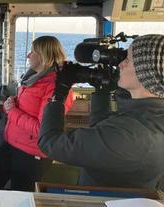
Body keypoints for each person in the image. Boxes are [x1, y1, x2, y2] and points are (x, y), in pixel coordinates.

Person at [39, 34, 164, 189]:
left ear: (146, 72)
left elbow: (50, 143)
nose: (121, 64)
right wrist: (102, 91)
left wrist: (59, 95)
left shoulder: (131, 134)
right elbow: (104, 131)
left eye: (129, 59)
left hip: (104, 200)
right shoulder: (149, 116)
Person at [0, 36, 74, 191]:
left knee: (20, 198)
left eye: (32, 51)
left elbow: (42, 129)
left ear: (44, 55)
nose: (28, 55)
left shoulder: (56, 87)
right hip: (12, 144)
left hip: (32, 154)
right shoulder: (34, 78)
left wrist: (12, 111)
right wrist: (13, 101)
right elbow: (28, 105)